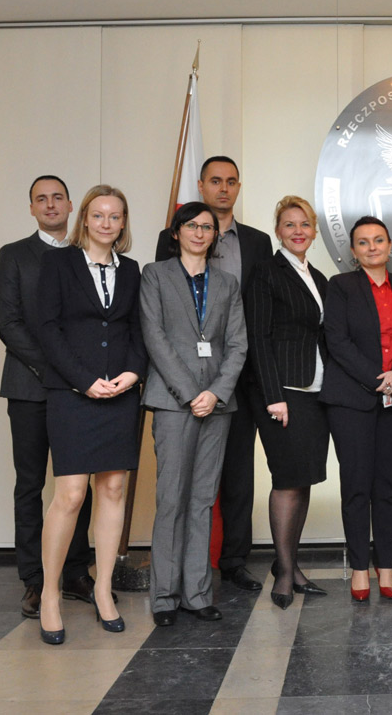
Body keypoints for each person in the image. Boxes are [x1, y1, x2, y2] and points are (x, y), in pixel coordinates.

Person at [155, 156, 273, 592]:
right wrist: (187, 386)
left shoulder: (258, 242)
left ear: (238, 187)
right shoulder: (167, 244)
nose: (224, 188)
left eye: (231, 181)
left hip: (237, 378)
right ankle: (179, 578)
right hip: (181, 381)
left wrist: (231, 379)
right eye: (215, 181)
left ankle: (234, 560)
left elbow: (259, 312)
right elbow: (162, 316)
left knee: (237, 475)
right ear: (201, 185)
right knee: (181, 486)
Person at [36, 184, 147, 644]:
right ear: (84, 218)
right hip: (72, 394)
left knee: (113, 488)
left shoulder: (132, 270)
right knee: (70, 495)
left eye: (114, 216)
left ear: (123, 223)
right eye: (98, 215)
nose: (106, 223)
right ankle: (50, 594)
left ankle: (103, 590)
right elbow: (47, 330)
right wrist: (84, 380)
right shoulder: (58, 264)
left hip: (119, 393)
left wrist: (133, 373)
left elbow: (139, 330)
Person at [0, 175, 99, 618]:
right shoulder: (14, 255)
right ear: (32, 208)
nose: (51, 204)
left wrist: (78, 374)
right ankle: (35, 580)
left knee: (78, 485)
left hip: (80, 388)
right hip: (30, 387)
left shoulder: (87, 254)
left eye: (58, 197)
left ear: (72, 205)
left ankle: (75, 573)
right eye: (42, 199)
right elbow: (8, 323)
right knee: (31, 484)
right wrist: (54, 368)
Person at [141, 202, 248, 627]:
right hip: (173, 402)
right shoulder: (155, 275)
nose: (200, 233)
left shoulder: (227, 283)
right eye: (192, 226)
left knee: (203, 500)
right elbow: (154, 337)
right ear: (177, 232)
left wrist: (215, 392)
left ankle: (197, 593)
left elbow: (237, 345)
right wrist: (191, 394)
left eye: (207, 227)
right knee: (172, 498)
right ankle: (164, 597)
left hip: (218, 405)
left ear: (215, 236)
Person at [321, 216, 392, 602]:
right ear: (353, 250)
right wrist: (376, 379)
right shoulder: (341, 286)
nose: (372, 247)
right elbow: (336, 340)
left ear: (389, 245)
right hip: (351, 400)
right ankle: (358, 568)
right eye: (363, 242)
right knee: (356, 486)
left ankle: (386, 565)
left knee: (387, 486)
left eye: (378, 240)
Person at [247, 196, 331, 609]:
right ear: (278, 231)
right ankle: (282, 573)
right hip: (282, 393)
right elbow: (258, 337)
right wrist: (273, 396)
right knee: (286, 479)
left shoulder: (319, 277)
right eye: (289, 224)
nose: (298, 231)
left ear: (314, 231)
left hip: (315, 392)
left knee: (303, 478)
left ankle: (292, 565)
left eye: (305, 224)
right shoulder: (266, 272)